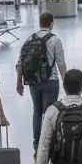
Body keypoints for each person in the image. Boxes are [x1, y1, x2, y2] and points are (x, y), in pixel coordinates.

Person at [17, 11, 66, 151]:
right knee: (49, 112)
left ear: (40, 23)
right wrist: (66, 82)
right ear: (51, 24)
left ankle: (36, 142)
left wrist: (19, 82)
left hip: (33, 80)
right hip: (51, 81)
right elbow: (61, 63)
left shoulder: (29, 39)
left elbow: (21, 61)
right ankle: (49, 142)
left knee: (37, 111)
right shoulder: (55, 40)